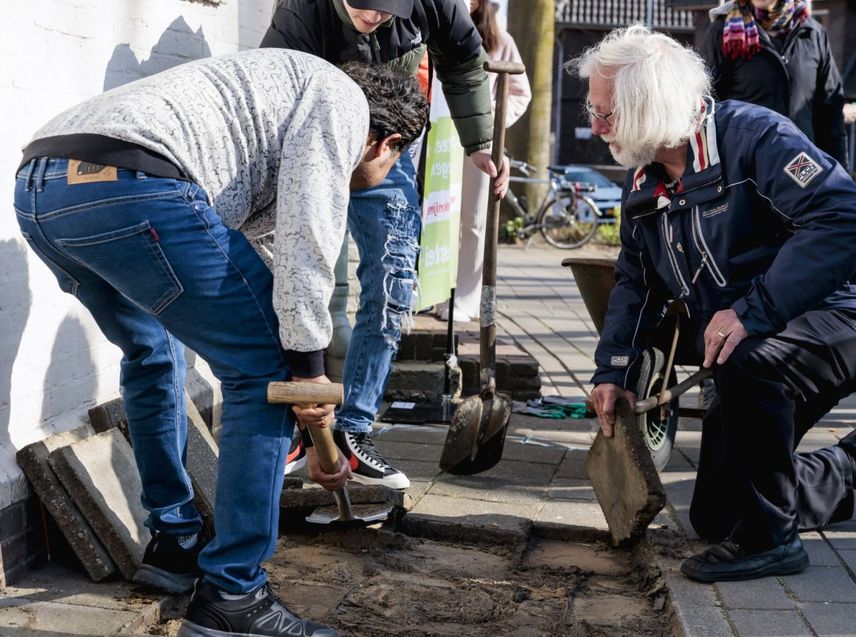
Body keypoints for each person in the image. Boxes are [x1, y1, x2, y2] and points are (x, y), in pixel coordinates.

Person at [14, 50, 428, 637]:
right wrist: (305, 375)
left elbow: (252, 258)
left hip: (44, 190)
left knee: (150, 351)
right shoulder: (341, 101)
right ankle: (237, 592)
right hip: (141, 186)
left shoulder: (277, 100)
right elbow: (310, 236)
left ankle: (177, 536)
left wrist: (317, 427)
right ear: (386, 143)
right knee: (263, 376)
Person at [573, 25, 856, 582]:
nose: (595, 125)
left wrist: (753, 312)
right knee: (716, 515)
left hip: (850, 315)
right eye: (595, 108)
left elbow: (848, 218)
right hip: (753, 344)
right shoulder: (645, 182)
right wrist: (615, 370)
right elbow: (637, 281)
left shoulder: (756, 139)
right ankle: (855, 465)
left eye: (606, 113)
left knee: (749, 366)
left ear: (648, 109)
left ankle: (774, 542)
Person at [262, 0, 509, 489]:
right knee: (289, 279)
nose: (373, 17)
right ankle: (288, 431)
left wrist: (478, 143)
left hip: (385, 148)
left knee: (393, 283)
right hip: (309, 146)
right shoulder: (300, 13)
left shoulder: (433, 4)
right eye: (362, 6)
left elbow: (463, 58)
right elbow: (272, 94)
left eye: (385, 10)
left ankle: (353, 431)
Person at [439, 0, 531, 322]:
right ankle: (434, 289)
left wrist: (491, 121)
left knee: (475, 220)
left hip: (481, 141)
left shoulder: (499, 40)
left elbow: (521, 91)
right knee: (437, 214)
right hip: (440, 136)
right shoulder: (436, 26)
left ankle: (467, 296)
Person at [699, 0, 848, 168]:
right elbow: (702, 107)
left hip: (801, 169)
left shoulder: (813, 33)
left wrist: (841, 180)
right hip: (746, 172)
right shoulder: (722, 32)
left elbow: (830, 115)